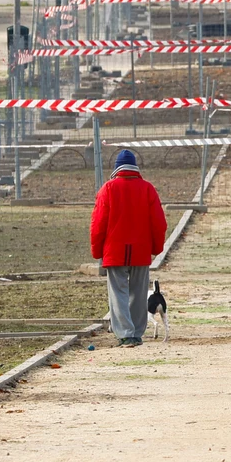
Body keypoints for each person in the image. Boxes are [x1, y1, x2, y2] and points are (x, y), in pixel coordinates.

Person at [90, 148, 168, 347]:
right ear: (135, 168)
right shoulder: (148, 189)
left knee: (118, 293)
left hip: (114, 251)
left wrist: (97, 251)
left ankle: (125, 334)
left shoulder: (107, 189)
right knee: (139, 293)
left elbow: (98, 223)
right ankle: (137, 332)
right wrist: (156, 247)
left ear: (117, 169)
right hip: (141, 250)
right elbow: (159, 222)